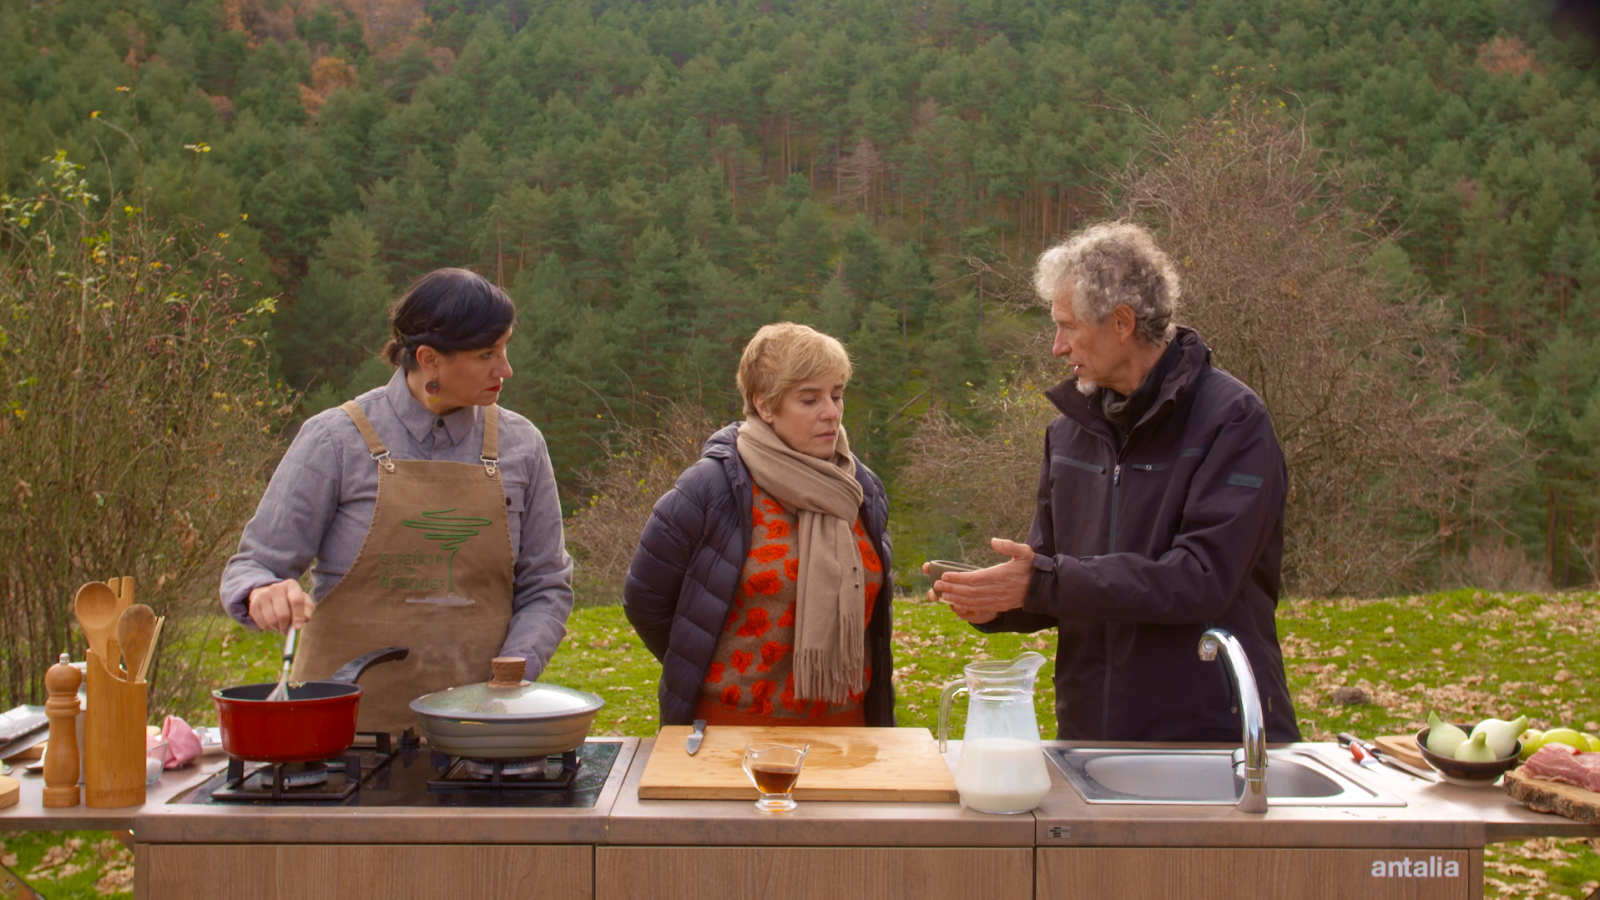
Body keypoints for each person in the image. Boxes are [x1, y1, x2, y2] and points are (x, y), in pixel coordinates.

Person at [928, 222, 1300, 743]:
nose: (1057, 347)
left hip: (1213, 741)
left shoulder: (1234, 421)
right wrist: (999, 602)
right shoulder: (1068, 433)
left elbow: (1201, 578)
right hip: (1092, 739)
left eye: (1068, 326)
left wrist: (1044, 581)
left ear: (1122, 322)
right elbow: (1056, 573)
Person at [220, 268, 574, 735]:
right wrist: (262, 592)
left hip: (477, 736)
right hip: (336, 735)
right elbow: (253, 567)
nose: (504, 369)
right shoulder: (334, 440)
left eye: (504, 349)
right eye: (487, 354)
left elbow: (546, 585)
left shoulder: (522, 445)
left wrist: (513, 672)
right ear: (429, 359)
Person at [624, 323, 895, 727]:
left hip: (847, 729)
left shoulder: (858, 487)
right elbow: (646, 598)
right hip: (732, 731)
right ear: (765, 405)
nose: (831, 412)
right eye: (809, 399)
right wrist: (701, 664)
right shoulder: (711, 487)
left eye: (836, 395)